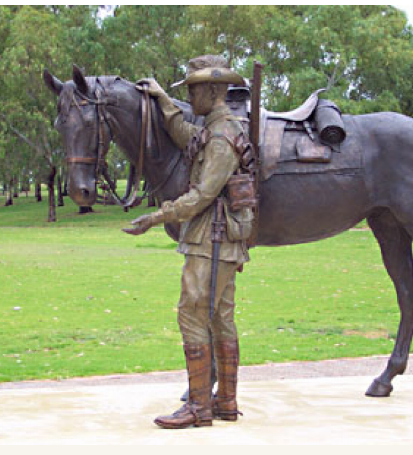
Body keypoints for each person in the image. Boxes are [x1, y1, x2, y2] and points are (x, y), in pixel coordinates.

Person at [123, 55, 251, 429]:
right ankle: (225, 401)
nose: (190, 98)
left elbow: (202, 195)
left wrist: (156, 217)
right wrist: (163, 98)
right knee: (219, 317)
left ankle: (199, 406)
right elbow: (186, 136)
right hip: (219, 240)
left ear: (212, 90)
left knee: (192, 314)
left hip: (211, 238)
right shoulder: (215, 130)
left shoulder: (223, 136)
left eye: (193, 90)